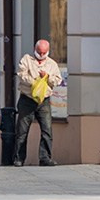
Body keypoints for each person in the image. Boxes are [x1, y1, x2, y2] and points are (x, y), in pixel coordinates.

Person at [15, 38, 64, 167]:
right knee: (22, 130)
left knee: (47, 129)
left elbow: (57, 80)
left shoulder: (52, 64)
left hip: (43, 100)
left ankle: (45, 157)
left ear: (48, 51)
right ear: (35, 49)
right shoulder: (26, 59)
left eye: (44, 53)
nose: (41, 55)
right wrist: (35, 81)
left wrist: (47, 77)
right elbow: (21, 74)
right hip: (27, 98)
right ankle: (19, 158)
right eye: (39, 52)